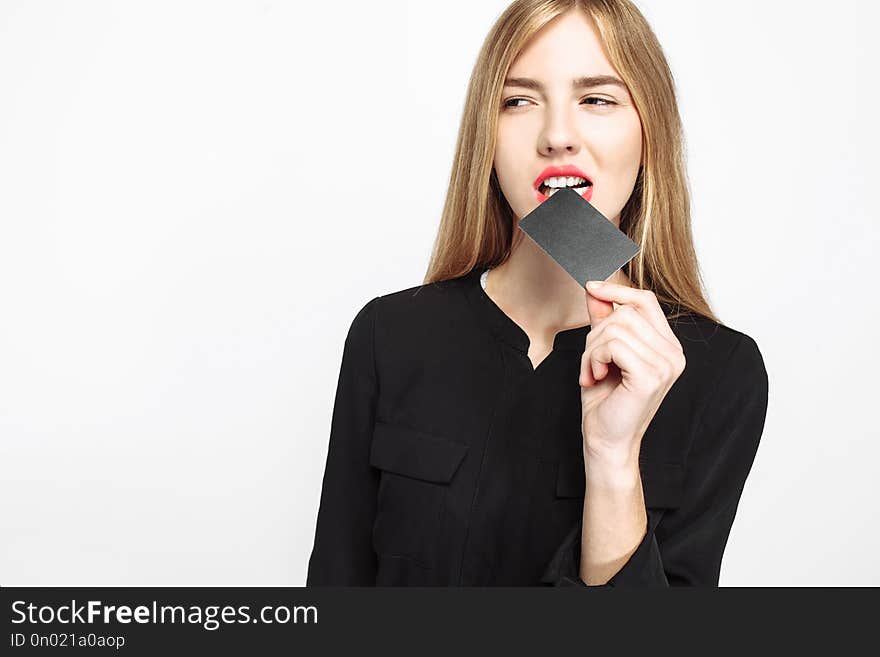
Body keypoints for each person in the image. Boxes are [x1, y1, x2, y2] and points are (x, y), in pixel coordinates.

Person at [306, 0, 769, 587]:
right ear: (487, 136)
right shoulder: (392, 334)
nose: (556, 135)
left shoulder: (719, 372)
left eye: (596, 99)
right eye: (518, 100)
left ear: (650, 132)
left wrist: (613, 461)